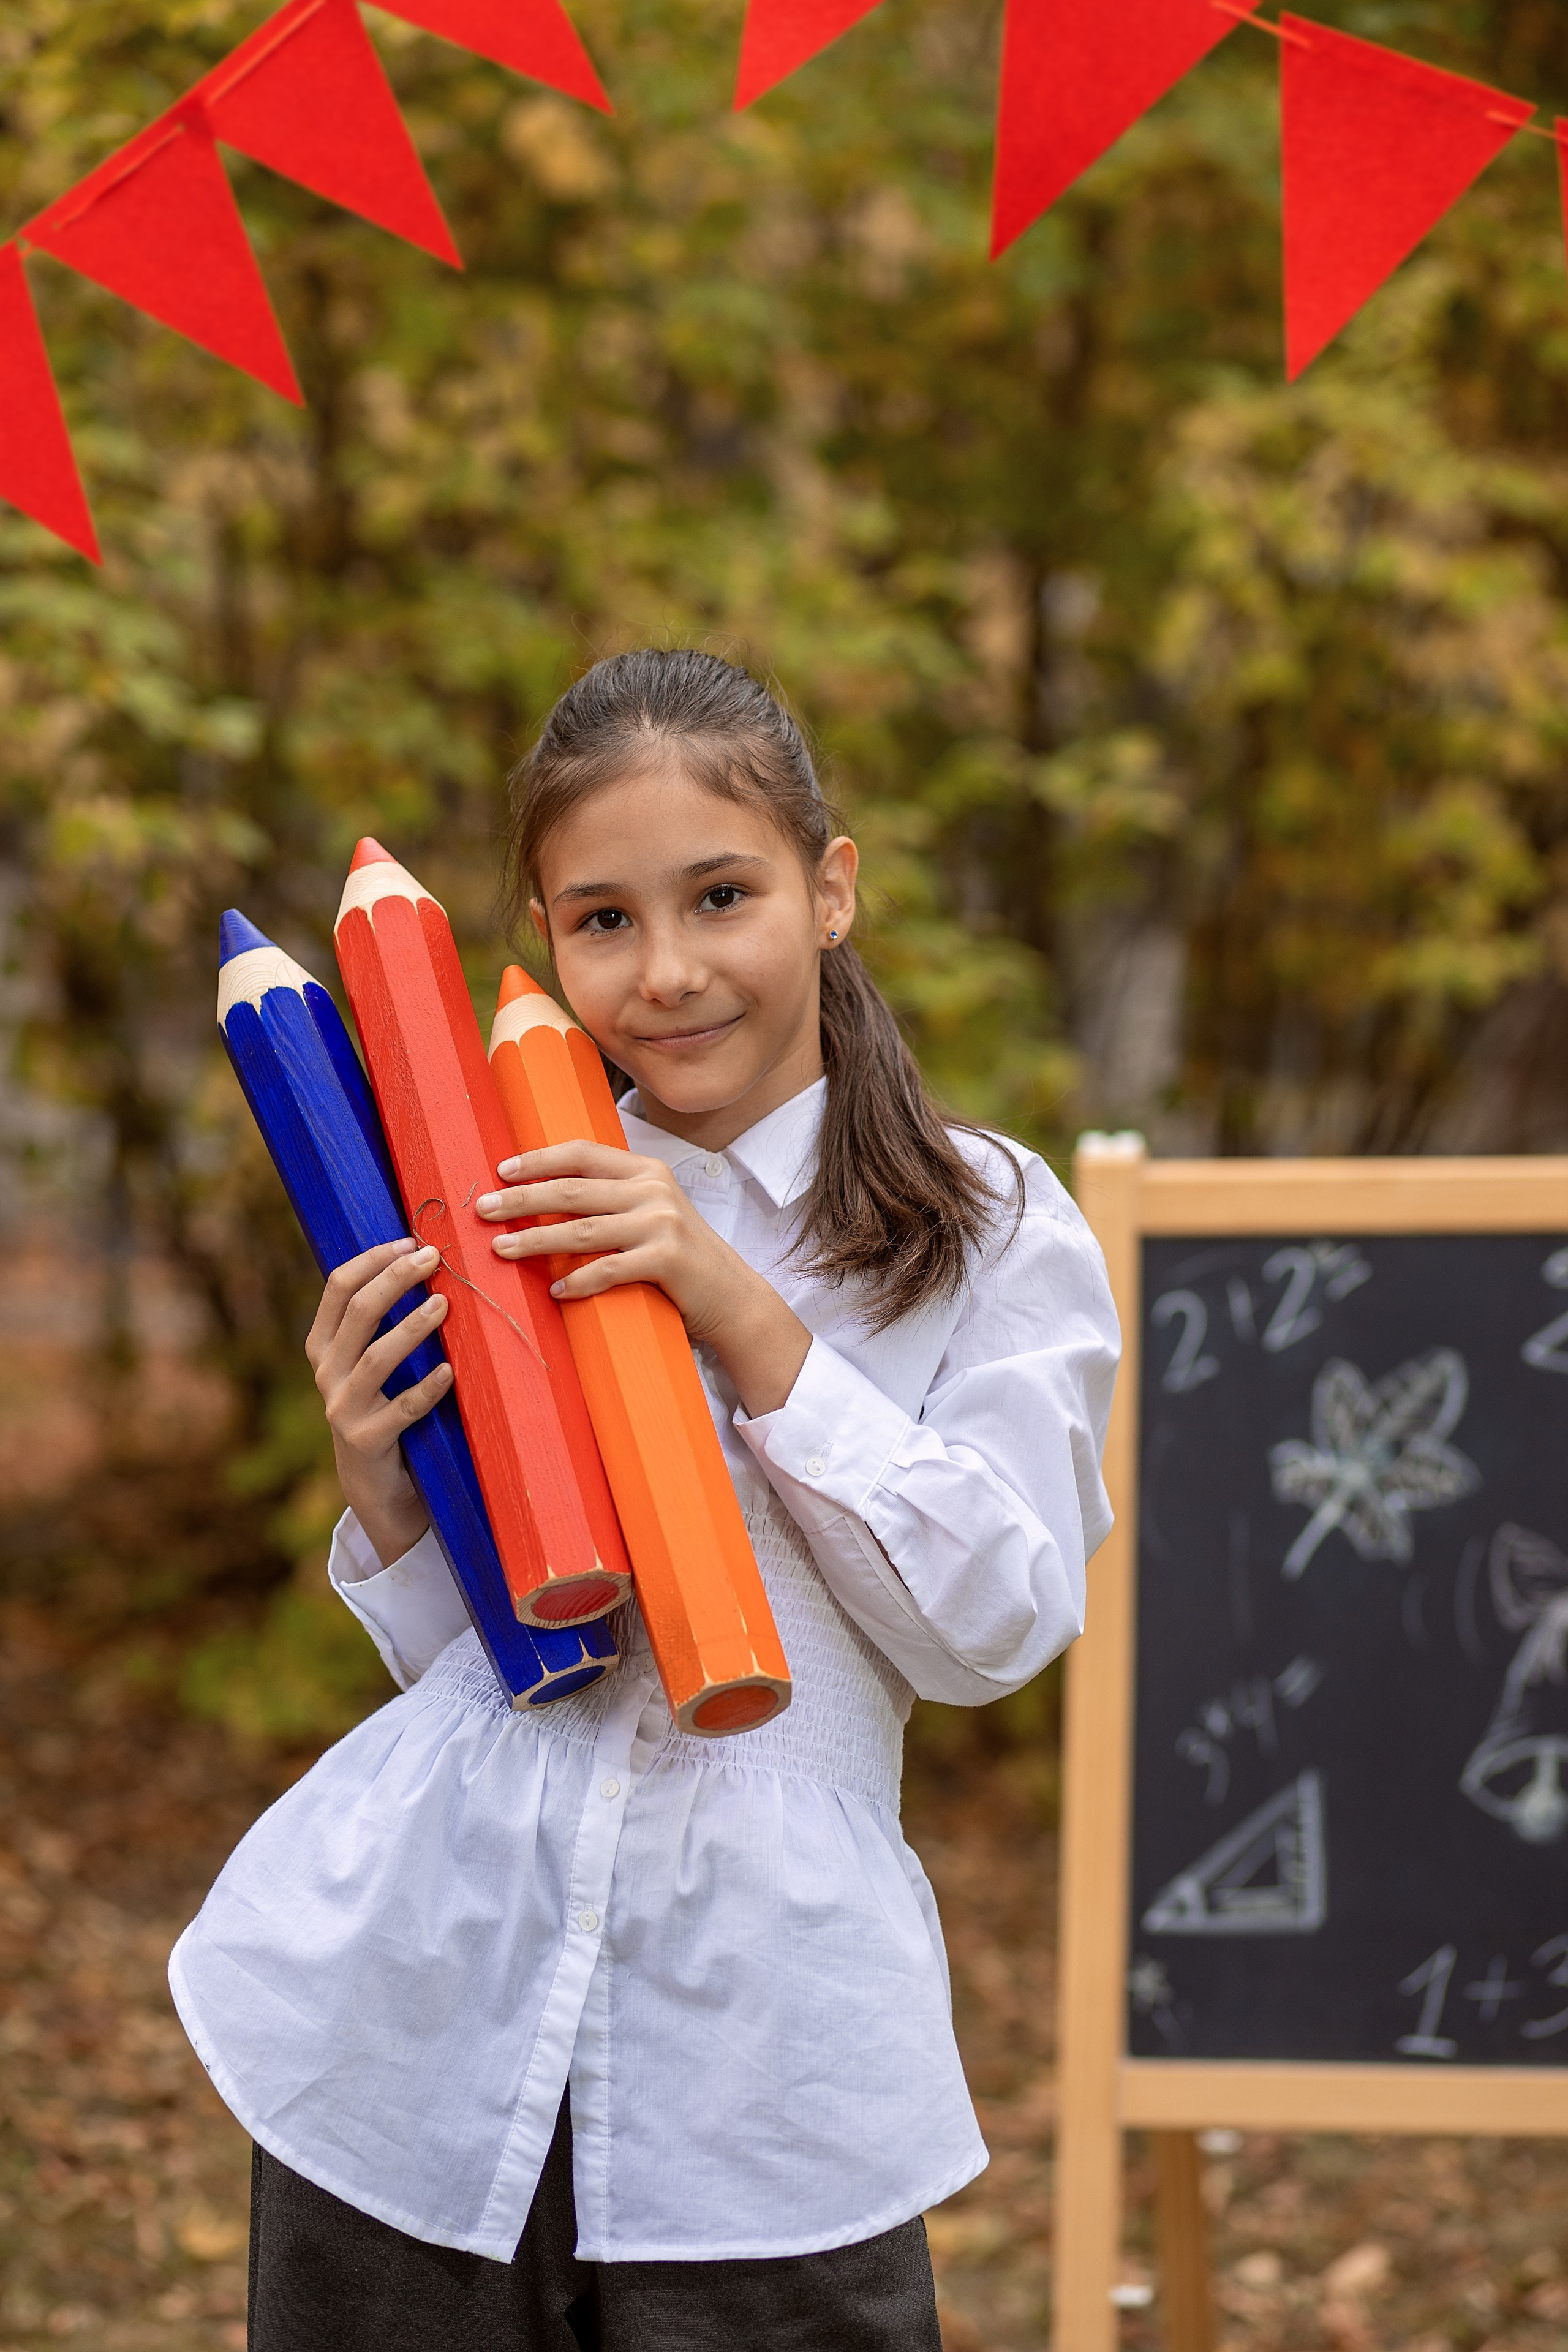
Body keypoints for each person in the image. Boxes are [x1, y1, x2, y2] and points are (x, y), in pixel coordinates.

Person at [170, 647, 1120, 2351]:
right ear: (540, 939)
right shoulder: (491, 1191)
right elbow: (487, 1667)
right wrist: (389, 1481)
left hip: (764, 2078)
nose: (669, 971)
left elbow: (994, 1622)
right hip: (421, 2021)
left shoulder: (983, 1226)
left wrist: (743, 1317)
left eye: (723, 895)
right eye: (602, 919)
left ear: (831, 890)